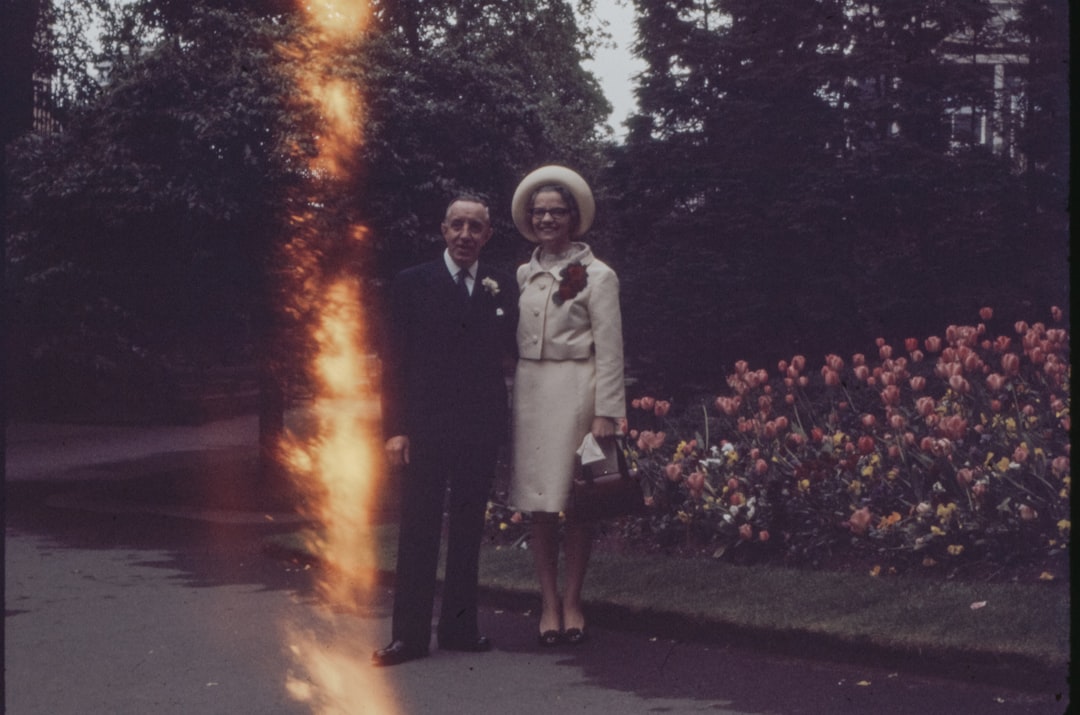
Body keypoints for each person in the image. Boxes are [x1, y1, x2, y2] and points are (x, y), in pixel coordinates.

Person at [374, 195, 519, 667]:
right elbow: (393, 363)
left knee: (467, 529)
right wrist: (395, 429)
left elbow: (512, 353)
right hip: (425, 428)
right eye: (457, 224)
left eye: (475, 227)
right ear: (443, 229)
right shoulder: (412, 283)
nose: (465, 235)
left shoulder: (500, 288)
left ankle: (459, 628)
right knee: (418, 530)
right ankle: (409, 638)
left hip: (479, 428)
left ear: (487, 235)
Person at [508, 166, 626, 647]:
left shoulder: (597, 275)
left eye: (557, 211)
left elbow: (611, 347)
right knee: (539, 505)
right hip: (532, 392)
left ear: (573, 218)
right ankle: (548, 603)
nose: (547, 219)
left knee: (577, 504)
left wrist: (607, 411)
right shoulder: (523, 272)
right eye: (539, 212)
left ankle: (573, 602)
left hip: (578, 388)